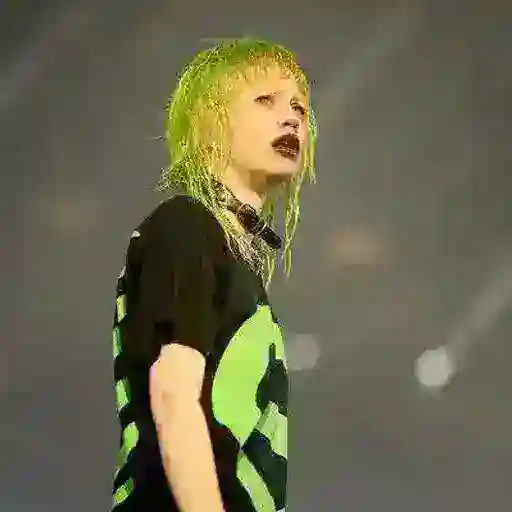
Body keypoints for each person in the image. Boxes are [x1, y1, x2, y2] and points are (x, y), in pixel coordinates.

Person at [110, 38, 317, 512]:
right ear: (210, 122)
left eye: (299, 108)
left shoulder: (227, 256)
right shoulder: (186, 228)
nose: (291, 119)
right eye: (265, 100)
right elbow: (174, 395)